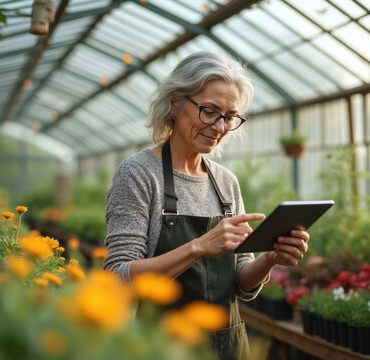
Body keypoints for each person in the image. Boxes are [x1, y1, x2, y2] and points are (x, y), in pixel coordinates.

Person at [104, 51, 310, 359]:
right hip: (163, 347)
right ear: (176, 103)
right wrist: (199, 246)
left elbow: (240, 282)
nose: (219, 127)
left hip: (229, 347)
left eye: (229, 117)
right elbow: (117, 279)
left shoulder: (226, 183)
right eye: (210, 111)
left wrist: (269, 259)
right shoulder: (138, 173)